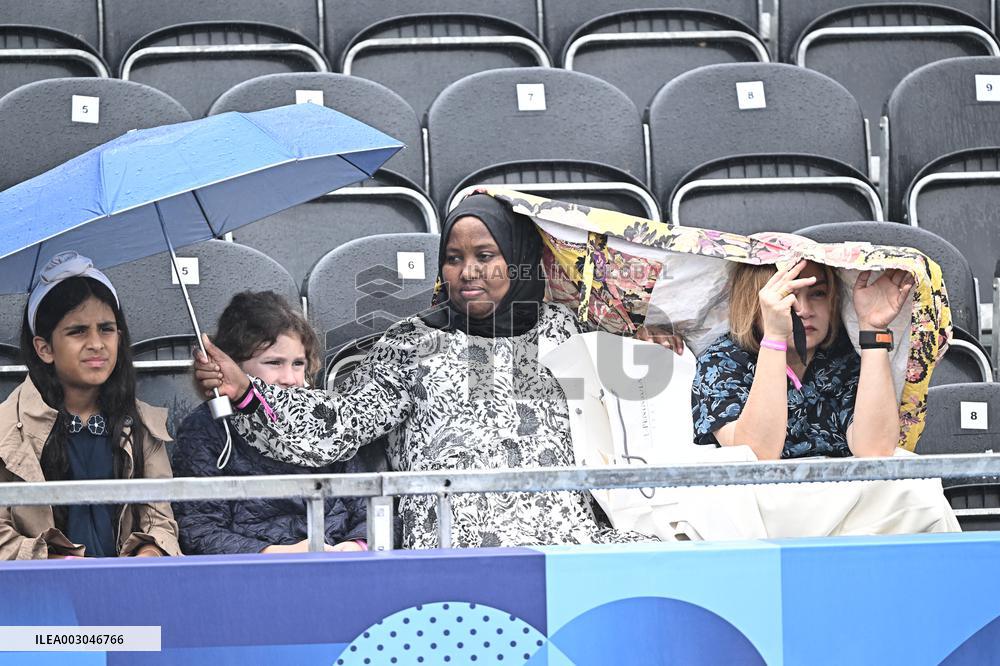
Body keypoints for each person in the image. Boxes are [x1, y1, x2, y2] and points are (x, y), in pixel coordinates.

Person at [194, 194, 675, 549]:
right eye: (453, 258)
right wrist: (247, 391)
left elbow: (631, 418)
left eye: (485, 256)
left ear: (518, 259)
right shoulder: (412, 343)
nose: (467, 272)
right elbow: (338, 427)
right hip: (453, 542)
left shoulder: (564, 331)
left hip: (566, 537)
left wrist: (651, 348)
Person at [0, 252, 180, 559]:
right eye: (78, 331)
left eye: (106, 329)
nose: (97, 344)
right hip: (40, 585)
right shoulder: (6, 430)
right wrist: (53, 561)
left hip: (126, 583)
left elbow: (159, 520)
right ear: (44, 348)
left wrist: (151, 552)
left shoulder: (141, 425)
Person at [171, 291, 368, 554]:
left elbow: (370, 508)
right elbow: (199, 529)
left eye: (298, 364)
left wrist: (356, 546)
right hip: (256, 572)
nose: (289, 378)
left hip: (337, 563)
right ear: (231, 365)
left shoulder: (324, 420)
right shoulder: (205, 430)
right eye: (274, 363)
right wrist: (276, 554)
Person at [692, 259, 914, 460]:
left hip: (841, 487)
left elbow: (876, 452)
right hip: (760, 491)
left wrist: (873, 330)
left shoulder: (844, 356)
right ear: (754, 302)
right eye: (787, 296)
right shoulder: (723, 360)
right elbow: (754, 455)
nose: (805, 310)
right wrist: (775, 336)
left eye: (818, 294)